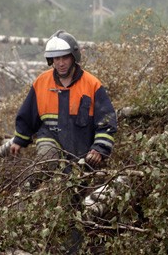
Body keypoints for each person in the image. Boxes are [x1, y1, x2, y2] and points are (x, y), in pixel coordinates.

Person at [10, 30, 117, 172]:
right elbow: (28, 114)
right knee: (45, 159)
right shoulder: (42, 82)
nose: (61, 63)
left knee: (78, 190)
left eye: (65, 58)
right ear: (51, 60)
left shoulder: (92, 85)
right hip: (49, 139)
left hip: (82, 152)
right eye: (56, 59)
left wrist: (99, 148)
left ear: (73, 57)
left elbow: (107, 120)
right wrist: (19, 140)